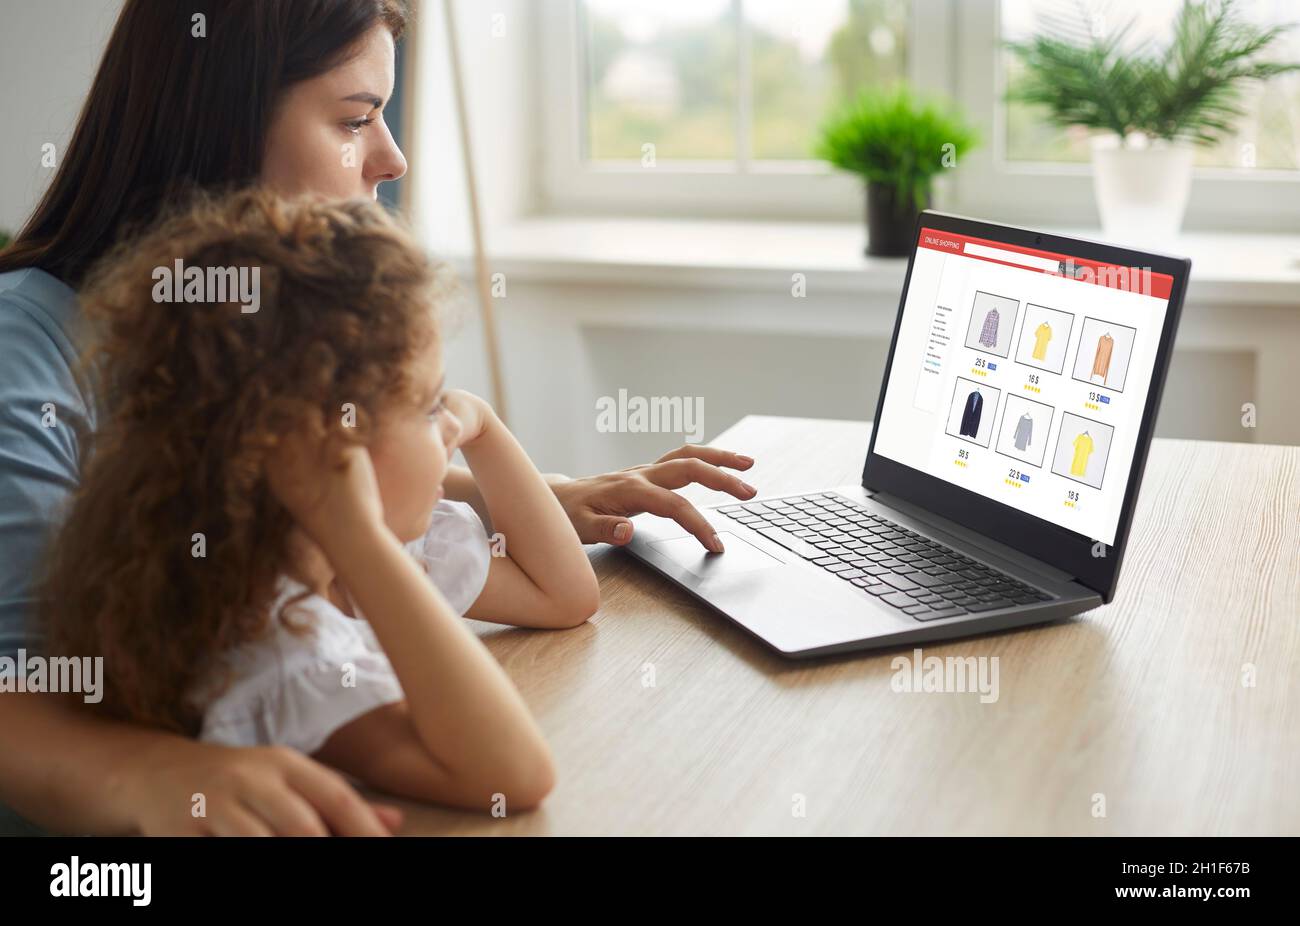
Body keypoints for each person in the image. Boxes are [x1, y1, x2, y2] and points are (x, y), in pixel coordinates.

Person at [0, 0, 755, 836]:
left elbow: (280, 481)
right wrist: (147, 770)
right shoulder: (22, 354)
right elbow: (23, 677)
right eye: (356, 120)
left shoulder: (263, 352)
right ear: (220, 123)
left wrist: (517, 494)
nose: (391, 159)